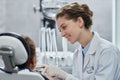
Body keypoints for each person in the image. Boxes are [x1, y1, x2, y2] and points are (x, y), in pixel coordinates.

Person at [40, 2, 120, 80]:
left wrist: (65, 76)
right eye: (60, 30)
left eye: (64, 27)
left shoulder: (107, 52)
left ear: (80, 22)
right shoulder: (77, 54)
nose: (62, 34)